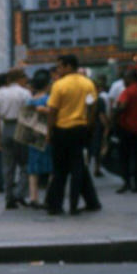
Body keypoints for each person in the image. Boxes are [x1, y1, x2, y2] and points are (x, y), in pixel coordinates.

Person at [44, 54, 102, 216]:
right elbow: (92, 106)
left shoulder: (59, 85)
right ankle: (75, 204)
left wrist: (49, 132)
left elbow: (52, 111)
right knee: (78, 167)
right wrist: (89, 124)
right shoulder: (88, 83)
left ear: (69, 66)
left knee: (60, 169)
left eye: (60, 67)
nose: (58, 70)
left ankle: (56, 205)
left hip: (62, 130)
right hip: (80, 130)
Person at [0, 68, 32, 209]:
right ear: (19, 78)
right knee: (25, 164)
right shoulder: (25, 93)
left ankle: (9, 196)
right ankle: (20, 193)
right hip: (21, 125)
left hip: (6, 127)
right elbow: (28, 114)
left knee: (8, 166)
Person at [113, 68, 137, 193]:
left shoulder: (127, 92)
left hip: (127, 129)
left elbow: (122, 106)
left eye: (125, 78)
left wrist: (115, 114)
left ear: (130, 79)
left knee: (125, 157)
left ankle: (127, 182)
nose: (124, 80)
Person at [23, 69, 53, 208]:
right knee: (50, 167)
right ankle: (49, 196)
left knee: (33, 168)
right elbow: (52, 117)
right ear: (47, 85)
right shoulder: (48, 100)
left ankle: (33, 197)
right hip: (46, 135)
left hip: (32, 134)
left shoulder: (30, 100)